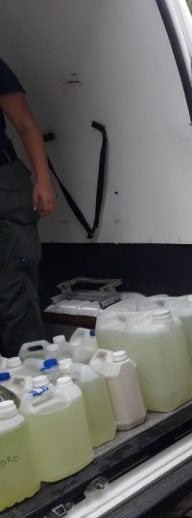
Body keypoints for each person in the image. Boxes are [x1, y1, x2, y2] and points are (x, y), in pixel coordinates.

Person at [0, 58, 55, 358]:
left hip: (4, 185)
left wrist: (42, 180)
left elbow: (24, 123)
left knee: (14, 294)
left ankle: (35, 382)